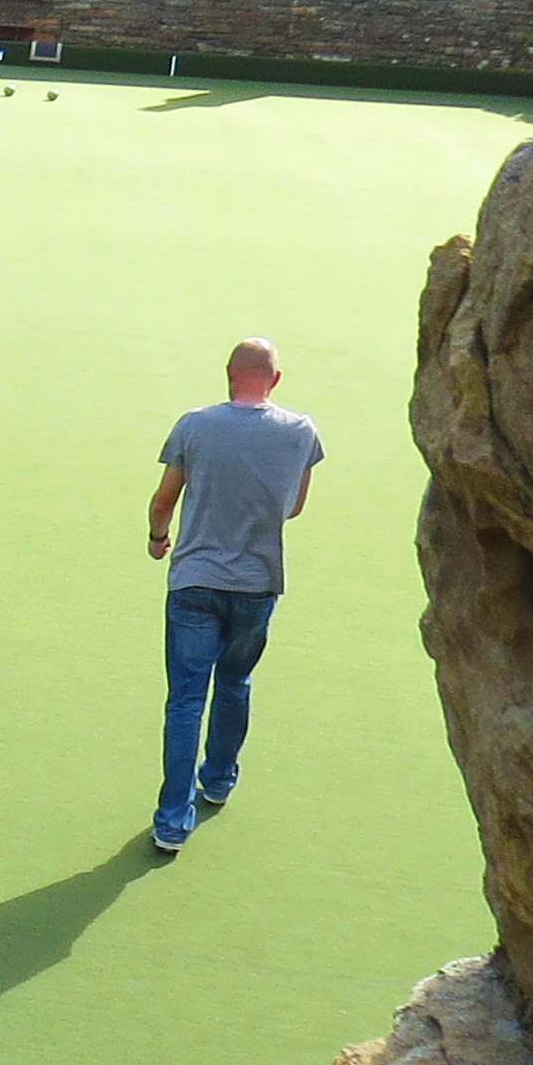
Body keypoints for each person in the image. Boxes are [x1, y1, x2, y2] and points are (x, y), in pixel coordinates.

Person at [143, 337, 322, 855]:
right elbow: (292, 508)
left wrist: (159, 538)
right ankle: (218, 778)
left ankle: (173, 820)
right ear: (276, 379)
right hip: (257, 584)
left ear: (228, 373)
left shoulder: (194, 425)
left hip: (195, 582)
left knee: (184, 701)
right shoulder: (301, 432)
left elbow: (162, 501)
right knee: (235, 681)